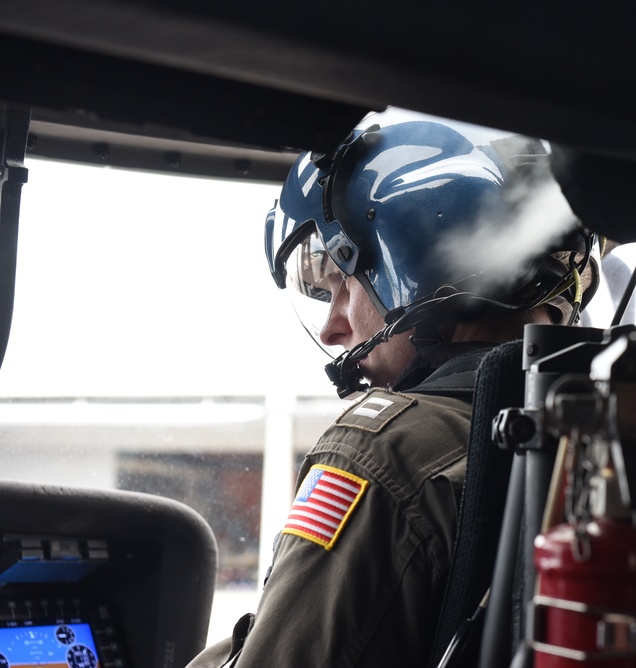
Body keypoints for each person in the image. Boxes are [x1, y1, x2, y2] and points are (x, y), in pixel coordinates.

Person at [186, 108, 600, 667]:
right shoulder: (615, 425)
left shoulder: (386, 450)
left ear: (413, 265)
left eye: (340, 283)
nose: (335, 327)